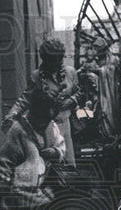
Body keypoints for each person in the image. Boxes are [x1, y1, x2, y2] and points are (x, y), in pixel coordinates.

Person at [4, 37, 79, 165]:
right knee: (49, 163)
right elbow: (25, 98)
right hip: (46, 127)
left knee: (68, 163)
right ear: (47, 59)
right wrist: (12, 114)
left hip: (65, 124)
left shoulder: (70, 72)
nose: (59, 61)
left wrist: (71, 100)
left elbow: (79, 92)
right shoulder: (37, 76)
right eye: (55, 59)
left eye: (60, 58)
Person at [0, 88, 66, 205]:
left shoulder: (52, 128)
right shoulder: (19, 131)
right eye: (41, 120)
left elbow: (61, 145)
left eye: (47, 121)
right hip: (21, 191)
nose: (44, 125)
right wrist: (6, 190)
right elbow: (3, 163)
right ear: (32, 114)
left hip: (43, 187)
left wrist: (55, 152)